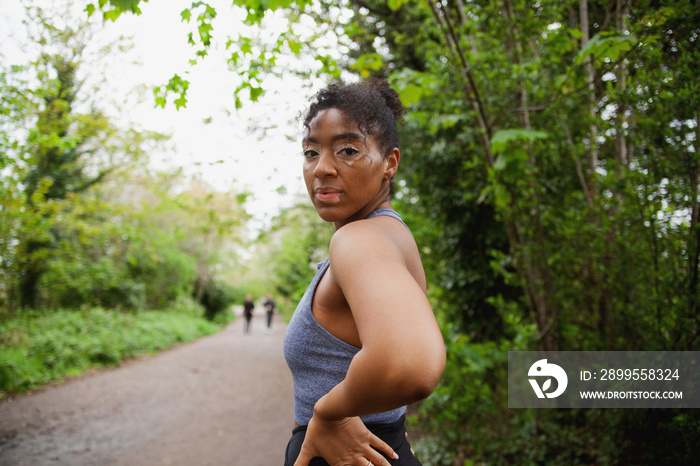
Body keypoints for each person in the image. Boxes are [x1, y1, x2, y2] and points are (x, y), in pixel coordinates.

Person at [283, 79, 446, 466]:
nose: (321, 168)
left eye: (348, 150)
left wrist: (328, 413)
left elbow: (410, 364)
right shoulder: (388, 234)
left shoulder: (360, 240)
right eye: (311, 152)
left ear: (390, 162)